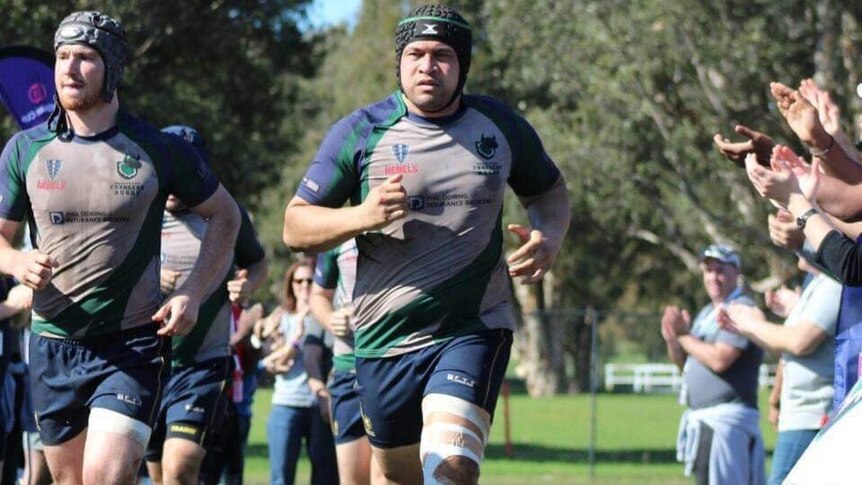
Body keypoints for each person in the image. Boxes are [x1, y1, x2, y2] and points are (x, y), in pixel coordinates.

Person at [282, 5, 571, 483]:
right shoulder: (362, 131)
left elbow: (548, 191)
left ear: (462, 67)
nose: (427, 65)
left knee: (451, 466)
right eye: (415, 53)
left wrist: (550, 235)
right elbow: (294, 227)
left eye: (442, 56)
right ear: (399, 62)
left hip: (472, 326)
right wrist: (363, 215)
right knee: (397, 476)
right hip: (381, 341)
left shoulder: (498, 126)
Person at [0, 11, 240, 484]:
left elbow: (225, 216)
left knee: (105, 478)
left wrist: (192, 291)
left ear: (112, 68)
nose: (69, 68)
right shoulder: (24, 149)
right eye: (62, 57)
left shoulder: (156, 148)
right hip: (53, 343)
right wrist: (17, 260)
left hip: (131, 343)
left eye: (85, 58)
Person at [144, 125, 267, 485]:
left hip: (203, 362)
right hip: (146, 363)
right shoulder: (139, 212)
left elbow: (258, 263)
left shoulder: (226, 216)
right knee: (155, 474)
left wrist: (247, 286)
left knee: (179, 470)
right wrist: (154, 277)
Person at [718, 254, 840, 485]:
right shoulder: (815, 283)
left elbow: (798, 342)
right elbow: (787, 345)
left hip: (811, 414)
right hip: (801, 414)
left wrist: (753, 324)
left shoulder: (834, 282)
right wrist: (747, 327)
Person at [662, 245, 765, 485]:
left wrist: (684, 336)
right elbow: (685, 365)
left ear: (736, 272)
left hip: (726, 425)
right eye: (708, 271)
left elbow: (720, 360)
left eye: (720, 270)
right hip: (708, 422)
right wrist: (673, 340)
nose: (713, 277)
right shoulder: (708, 312)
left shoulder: (740, 309)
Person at [309, 238, 384, 485]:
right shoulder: (339, 236)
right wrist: (331, 319)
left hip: (393, 365)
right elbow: (318, 295)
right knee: (352, 479)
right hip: (347, 369)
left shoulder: (407, 224)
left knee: (385, 476)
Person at [265, 260, 338, 485]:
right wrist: (295, 336)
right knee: (281, 477)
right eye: (299, 280)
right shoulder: (280, 318)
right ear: (291, 284)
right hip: (287, 405)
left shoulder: (329, 317)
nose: (304, 285)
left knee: (325, 476)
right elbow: (272, 362)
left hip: (321, 407)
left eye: (310, 280)